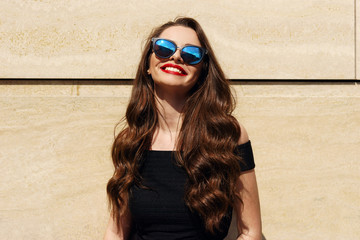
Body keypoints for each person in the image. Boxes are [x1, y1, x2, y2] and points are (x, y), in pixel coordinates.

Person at [104, 17, 261, 240]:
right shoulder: (131, 140)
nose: (176, 56)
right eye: (163, 48)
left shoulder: (228, 136)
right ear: (148, 65)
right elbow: (115, 231)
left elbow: (250, 232)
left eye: (191, 54)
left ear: (202, 71)